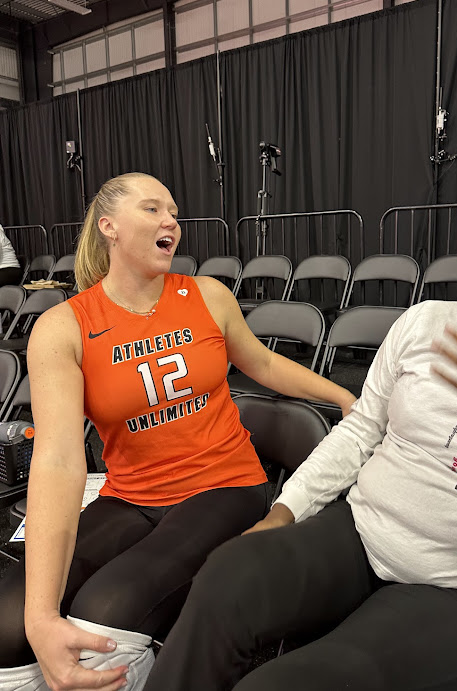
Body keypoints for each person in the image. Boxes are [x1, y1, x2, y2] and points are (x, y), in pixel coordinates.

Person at [142, 171, 457, 691]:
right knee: (229, 573)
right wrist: (285, 511)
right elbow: (361, 430)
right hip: (364, 533)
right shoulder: (424, 321)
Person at [0, 172, 356, 691]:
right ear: (109, 228)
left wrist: (343, 395)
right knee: (11, 620)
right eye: (152, 209)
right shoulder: (65, 327)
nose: (172, 221)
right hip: (131, 495)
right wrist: (39, 616)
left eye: (173, 211)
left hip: (227, 485)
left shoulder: (206, 295)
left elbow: (261, 363)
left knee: (102, 614)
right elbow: (57, 461)